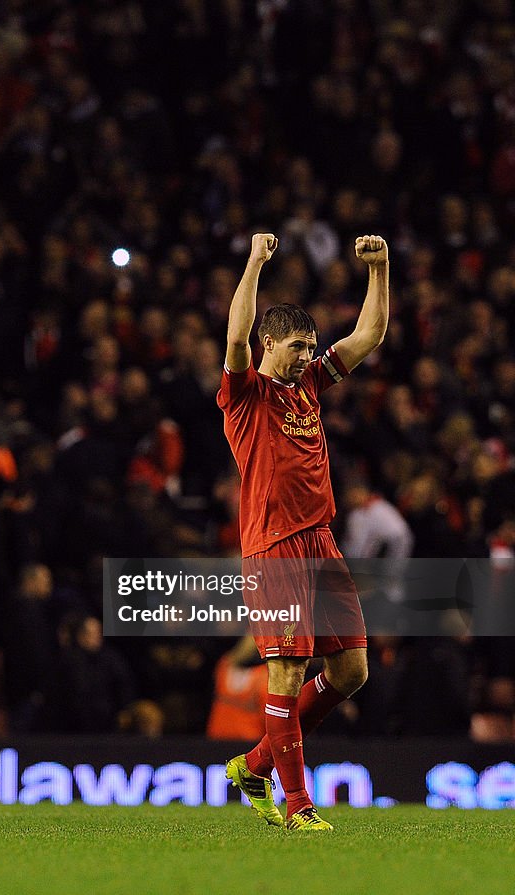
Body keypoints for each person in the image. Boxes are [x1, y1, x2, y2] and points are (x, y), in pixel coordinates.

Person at [217, 233, 389, 832]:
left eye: (310, 347)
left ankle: (255, 767)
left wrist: (380, 270)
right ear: (271, 344)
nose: (305, 356)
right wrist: (253, 265)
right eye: (296, 346)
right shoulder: (246, 394)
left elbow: (368, 337)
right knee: (287, 673)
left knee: (351, 673)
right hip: (275, 549)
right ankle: (297, 807)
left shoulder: (310, 383)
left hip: (321, 543)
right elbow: (236, 335)